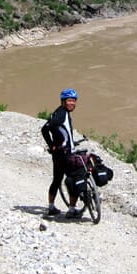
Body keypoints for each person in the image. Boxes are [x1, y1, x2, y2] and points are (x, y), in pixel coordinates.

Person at [41, 88, 83, 218]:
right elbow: (48, 128)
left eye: (74, 101)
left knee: (57, 180)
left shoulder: (57, 112)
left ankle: (51, 207)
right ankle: (71, 209)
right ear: (63, 101)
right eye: (69, 100)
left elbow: (47, 129)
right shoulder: (62, 114)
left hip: (58, 154)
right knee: (76, 178)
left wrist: (53, 145)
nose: (72, 103)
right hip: (66, 154)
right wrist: (56, 143)